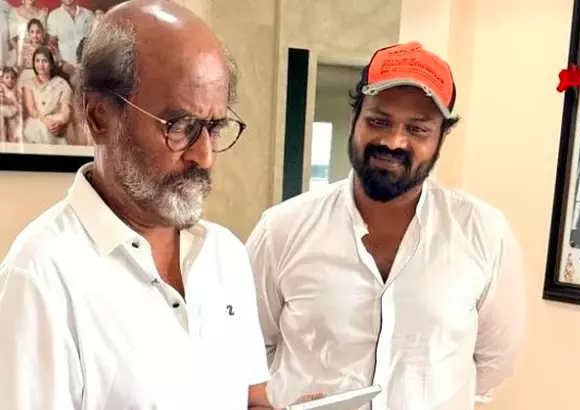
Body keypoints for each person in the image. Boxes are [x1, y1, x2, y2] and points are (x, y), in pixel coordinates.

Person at [0, 1, 295, 408]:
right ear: (99, 117)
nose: (205, 157)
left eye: (214, 127)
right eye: (181, 126)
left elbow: (251, 397)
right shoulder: (41, 276)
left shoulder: (224, 254)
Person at [246, 41, 526, 410]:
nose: (394, 141)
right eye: (379, 121)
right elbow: (245, 353)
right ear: (355, 117)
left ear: (442, 136)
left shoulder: (484, 233)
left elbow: (493, 362)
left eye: (418, 129)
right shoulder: (281, 229)